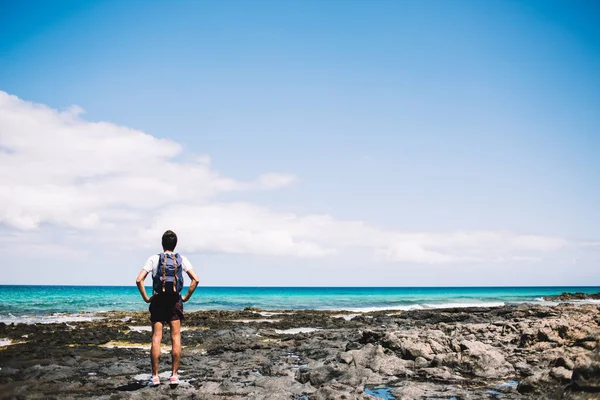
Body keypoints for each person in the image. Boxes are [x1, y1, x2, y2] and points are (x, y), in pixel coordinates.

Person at [135, 230, 199, 387]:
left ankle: (155, 377)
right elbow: (195, 280)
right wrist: (185, 297)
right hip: (174, 301)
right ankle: (174, 376)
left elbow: (139, 280)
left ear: (162, 243)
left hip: (157, 300)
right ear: (175, 244)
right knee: (175, 337)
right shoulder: (181, 259)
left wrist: (146, 298)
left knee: (156, 337)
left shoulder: (154, 258)